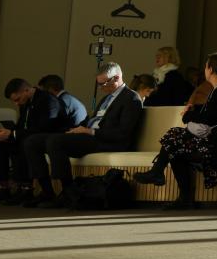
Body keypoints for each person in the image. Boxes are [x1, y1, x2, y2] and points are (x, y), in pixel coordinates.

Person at [22, 61, 143, 208]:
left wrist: (90, 131)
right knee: (32, 141)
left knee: (56, 141)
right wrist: (80, 128)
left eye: (103, 84)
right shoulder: (106, 98)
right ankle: (47, 191)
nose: (101, 88)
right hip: (89, 136)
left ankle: (68, 192)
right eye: (98, 84)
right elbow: (94, 120)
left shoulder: (131, 98)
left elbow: (123, 132)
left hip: (107, 141)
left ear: (117, 78)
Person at [134, 52, 217, 209]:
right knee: (175, 147)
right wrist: (193, 112)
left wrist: (188, 115)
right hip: (215, 139)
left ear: (210, 69)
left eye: (205, 67)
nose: (204, 70)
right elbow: (211, 115)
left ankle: (160, 174)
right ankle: (176, 190)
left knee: (174, 139)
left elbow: (207, 119)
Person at [0, 78, 61, 205]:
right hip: (29, 136)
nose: (16, 104)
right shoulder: (25, 102)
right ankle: (2, 187)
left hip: (48, 137)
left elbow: (44, 128)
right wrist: (5, 132)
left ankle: (25, 188)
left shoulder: (47, 100)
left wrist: (13, 134)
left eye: (17, 99)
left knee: (23, 141)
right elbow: (21, 126)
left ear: (26, 90)